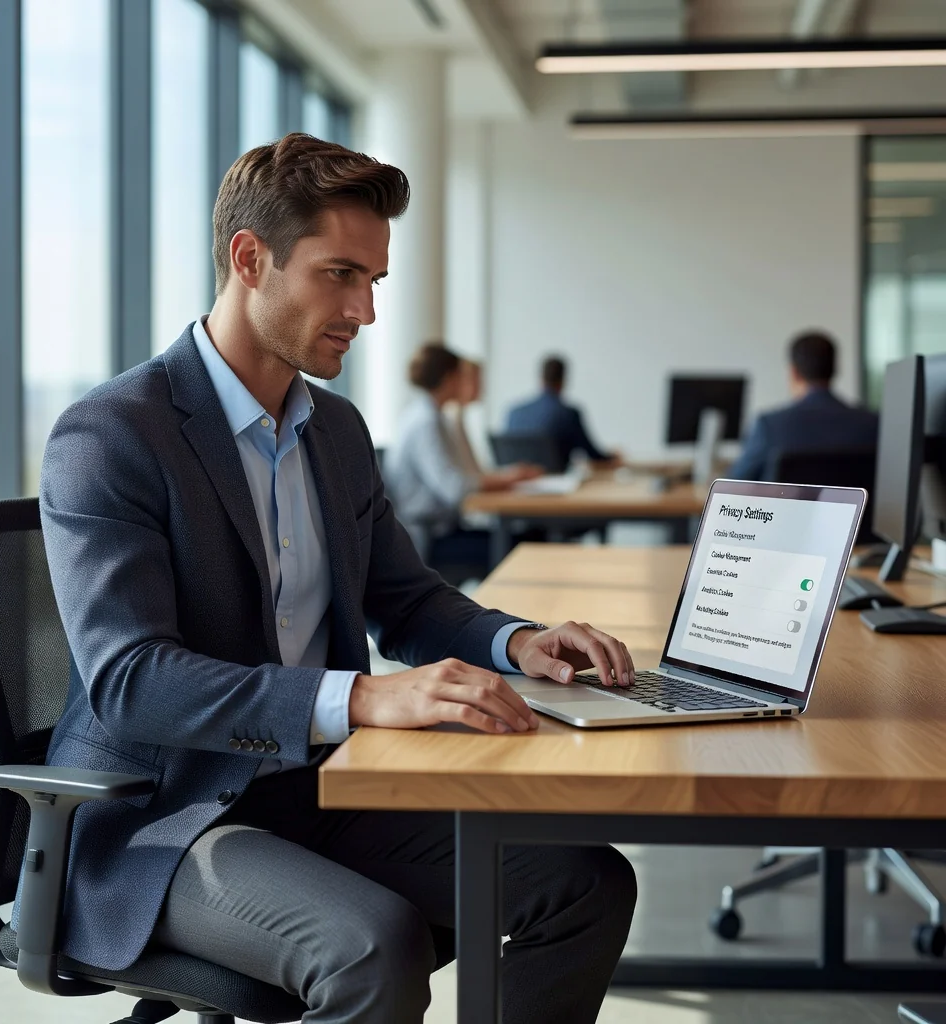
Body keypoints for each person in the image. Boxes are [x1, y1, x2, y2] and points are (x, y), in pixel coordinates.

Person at [34, 133, 638, 1024]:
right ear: (251, 259)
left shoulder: (336, 432)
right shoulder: (114, 433)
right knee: (372, 945)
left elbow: (405, 600)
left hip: (322, 786)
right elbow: (130, 682)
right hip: (164, 818)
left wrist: (517, 642)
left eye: (374, 282)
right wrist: (358, 698)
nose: (365, 309)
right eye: (340, 274)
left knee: (582, 881)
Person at [385, 344, 536, 569]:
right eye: (460, 375)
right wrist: (507, 479)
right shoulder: (426, 422)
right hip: (429, 538)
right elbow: (454, 488)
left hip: (441, 529)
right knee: (524, 547)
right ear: (449, 378)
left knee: (527, 540)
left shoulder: (429, 415)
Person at [728, 330, 879, 481]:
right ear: (834, 370)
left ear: (794, 372)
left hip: (784, 505)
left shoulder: (769, 425)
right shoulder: (873, 423)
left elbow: (735, 482)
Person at [506, 355, 616, 466]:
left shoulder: (514, 412)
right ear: (563, 381)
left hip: (518, 481)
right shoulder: (569, 414)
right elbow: (593, 455)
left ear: (541, 378)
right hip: (557, 478)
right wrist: (613, 457)